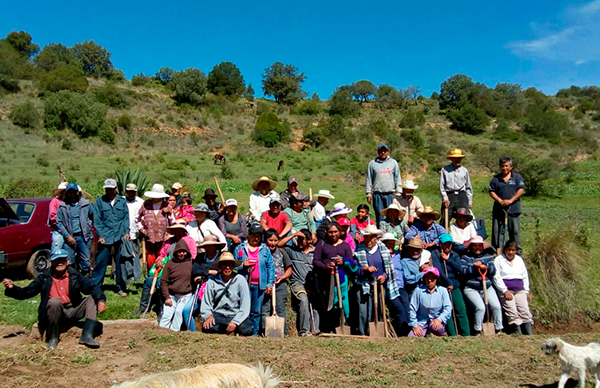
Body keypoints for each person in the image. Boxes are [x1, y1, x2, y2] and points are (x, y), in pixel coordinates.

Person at [2, 249, 107, 349]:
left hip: (73, 310)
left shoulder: (75, 275)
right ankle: (53, 338)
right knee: (54, 301)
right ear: (51, 262)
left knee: (91, 299)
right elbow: (26, 292)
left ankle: (87, 335)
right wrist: (12, 288)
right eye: (57, 260)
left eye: (62, 260)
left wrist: (101, 300)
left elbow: (92, 287)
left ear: (68, 261)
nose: (60, 263)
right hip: (54, 313)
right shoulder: (44, 278)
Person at [132, 220, 196, 318]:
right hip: (166, 266)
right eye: (175, 229)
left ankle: (161, 307)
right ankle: (143, 307)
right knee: (149, 281)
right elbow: (162, 254)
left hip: (180, 268)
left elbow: (193, 256)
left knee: (160, 282)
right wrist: (159, 260)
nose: (177, 231)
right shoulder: (169, 241)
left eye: (179, 229)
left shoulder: (189, 241)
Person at [353, 225, 408, 336]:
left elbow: (388, 268)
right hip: (364, 285)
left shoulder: (382, 249)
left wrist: (384, 276)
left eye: (371, 237)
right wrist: (365, 269)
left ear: (376, 238)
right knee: (363, 311)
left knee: (378, 308)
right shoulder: (359, 250)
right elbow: (354, 269)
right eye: (366, 237)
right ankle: (363, 332)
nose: (368, 240)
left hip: (379, 285)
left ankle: (377, 332)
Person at [312, 222, 358, 333]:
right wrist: (325, 266)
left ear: (340, 232)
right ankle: (328, 328)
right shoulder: (322, 244)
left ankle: (342, 325)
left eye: (335, 232)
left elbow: (352, 262)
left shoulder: (345, 246)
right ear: (327, 233)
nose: (333, 235)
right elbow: (315, 261)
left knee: (342, 304)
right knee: (328, 305)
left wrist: (343, 261)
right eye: (330, 232)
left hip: (342, 281)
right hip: (326, 281)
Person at [234, 224, 275, 336]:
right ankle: (243, 331)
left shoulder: (265, 250)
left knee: (256, 311)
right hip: (244, 285)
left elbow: (270, 267)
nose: (256, 238)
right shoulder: (240, 248)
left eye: (258, 236)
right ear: (249, 235)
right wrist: (242, 265)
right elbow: (232, 266)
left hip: (259, 285)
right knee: (243, 310)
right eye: (254, 235)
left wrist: (269, 283)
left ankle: (254, 333)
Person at [92, 178, 130, 296]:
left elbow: (125, 217)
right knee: (101, 262)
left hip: (119, 235)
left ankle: (120, 287)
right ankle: (96, 286)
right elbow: (97, 220)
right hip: (106, 235)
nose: (109, 191)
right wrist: (101, 235)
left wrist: (126, 232)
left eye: (111, 189)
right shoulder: (99, 201)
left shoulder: (122, 201)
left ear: (115, 189)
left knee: (120, 262)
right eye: (107, 189)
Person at [427, 234, 470, 336]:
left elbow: (459, 269)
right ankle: (452, 334)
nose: (447, 246)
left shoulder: (454, 255)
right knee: (447, 310)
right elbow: (438, 271)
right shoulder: (435, 254)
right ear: (440, 244)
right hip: (443, 286)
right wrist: (448, 282)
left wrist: (448, 260)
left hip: (455, 285)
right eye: (445, 244)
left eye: (449, 244)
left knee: (460, 309)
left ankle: (466, 334)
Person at [200, 252, 253, 336]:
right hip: (218, 314)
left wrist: (235, 322)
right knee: (208, 327)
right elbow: (206, 303)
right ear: (220, 266)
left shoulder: (240, 280)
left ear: (233, 266)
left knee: (247, 329)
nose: (227, 267)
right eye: (224, 264)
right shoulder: (212, 281)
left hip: (235, 314)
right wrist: (208, 316)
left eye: (230, 264)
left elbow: (245, 306)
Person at [460, 236, 503, 335]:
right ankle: (478, 330)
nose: (477, 248)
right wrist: (474, 267)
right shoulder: (465, 258)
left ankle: (498, 328)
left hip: (487, 287)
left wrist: (485, 266)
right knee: (480, 308)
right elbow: (462, 272)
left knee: (496, 306)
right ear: (471, 247)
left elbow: (493, 271)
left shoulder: (488, 257)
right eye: (475, 246)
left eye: (480, 245)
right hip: (471, 288)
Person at [182, 235, 225, 331]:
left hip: (216, 291)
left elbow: (219, 271)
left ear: (216, 246)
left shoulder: (221, 258)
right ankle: (192, 332)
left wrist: (204, 272)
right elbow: (195, 270)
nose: (209, 248)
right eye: (207, 245)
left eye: (211, 245)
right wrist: (210, 271)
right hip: (199, 289)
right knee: (186, 310)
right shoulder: (200, 257)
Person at [281, 229, 319, 336]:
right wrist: (293, 235)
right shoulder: (293, 251)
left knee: (316, 304)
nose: (299, 242)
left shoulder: (315, 252)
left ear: (309, 240)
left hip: (311, 283)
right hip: (297, 283)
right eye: (298, 239)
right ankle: (304, 330)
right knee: (303, 300)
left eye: (302, 239)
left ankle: (316, 329)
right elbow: (279, 244)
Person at [493, 240, 533, 335]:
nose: (511, 252)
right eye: (509, 250)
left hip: (519, 290)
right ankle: (518, 334)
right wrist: (505, 290)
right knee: (512, 312)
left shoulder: (519, 260)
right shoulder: (499, 260)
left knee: (524, 311)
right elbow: (496, 277)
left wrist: (526, 290)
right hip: (506, 290)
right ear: (505, 250)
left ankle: (528, 335)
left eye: (513, 250)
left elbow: (524, 275)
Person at [489, 156, 525, 253]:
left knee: (515, 233)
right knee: (498, 233)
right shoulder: (495, 179)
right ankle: (497, 252)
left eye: (506, 166)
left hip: (513, 210)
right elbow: (491, 191)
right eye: (502, 166)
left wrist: (511, 200)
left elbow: (521, 189)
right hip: (498, 210)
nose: (504, 168)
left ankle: (517, 253)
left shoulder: (517, 177)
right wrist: (500, 201)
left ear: (511, 166)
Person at [57, 183, 93, 275]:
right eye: (70, 192)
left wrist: (89, 229)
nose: (72, 194)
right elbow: (59, 222)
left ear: (78, 192)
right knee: (70, 262)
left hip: (83, 237)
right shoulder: (62, 206)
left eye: (74, 192)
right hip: (69, 238)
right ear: (66, 193)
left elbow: (93, 217)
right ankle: (72, 282)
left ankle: (84, 282)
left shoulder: (86, 204)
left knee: (86, 262)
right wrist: (68, 236)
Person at [262, 229, 292, 334]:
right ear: (266, 240)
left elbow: (289, 269)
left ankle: (282, 332)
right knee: (265, 308)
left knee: (280, 308)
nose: (273, 243)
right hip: (265, 285)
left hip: (280, 285)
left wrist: (282, 277)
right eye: (270, 240)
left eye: (275, 240)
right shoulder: (262, 251)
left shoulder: (282, 252)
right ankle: (264, 331)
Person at [408, 266, 453, 338]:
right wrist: (414, 325)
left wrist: (440, 319)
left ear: (436, 279)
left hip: (436, 321)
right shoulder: (418, 291)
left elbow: (448, 308)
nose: (430, 280)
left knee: (437, 328)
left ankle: (442, 336)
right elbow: (412, 309)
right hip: (421, 322)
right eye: (427, 277)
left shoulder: (443, 291)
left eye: (432, 278)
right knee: (412, 337)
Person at [159, 239, 194, 331]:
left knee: (179, 312)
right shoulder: (170, 263)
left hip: (185, 295)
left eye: (183, 252)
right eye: (179, 252)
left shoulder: (191, 263)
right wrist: (167, 297)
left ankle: (174, 332)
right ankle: (162, 332)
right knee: (167, 313)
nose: (181, 254)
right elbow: (164, 281)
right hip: (172, 295)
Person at [137, 184, 172, 271]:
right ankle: (151, 277)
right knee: (150, 259)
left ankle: (160, 278)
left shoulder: (167, 205)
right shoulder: (145, 204)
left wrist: (169, 213)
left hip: (164, 237)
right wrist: (141, 228)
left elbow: (173, 221)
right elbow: (137, 218)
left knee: (162, 257)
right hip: (150, 237)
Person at [365, 143, 402, 226]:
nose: (383, 153)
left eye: (384, 151)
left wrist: (399, 192)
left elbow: (397, 177)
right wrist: (368, 193)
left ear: (387, 152)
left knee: (392, 215)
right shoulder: (372, 164)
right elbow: (369, 178)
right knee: (380, 215)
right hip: (378, 194)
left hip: (390, 194)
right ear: (378, 152)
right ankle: (381, 234)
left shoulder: (393, 163)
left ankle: (392, 234)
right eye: (381, 151)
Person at [439, 149, 473, 228]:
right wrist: (445, 198)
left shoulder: (464, 171)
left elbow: (468, 187)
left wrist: (469, 201)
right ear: (451, 159)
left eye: (459, 158)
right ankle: (444, 238)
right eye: (455, 158)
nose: (457, 160)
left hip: (462, 195)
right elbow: (442, 186)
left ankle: (462, 236)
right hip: (449, 195)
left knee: (463, 217)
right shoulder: (445, 170)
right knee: (445, 218)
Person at [124, 183, 144, 280]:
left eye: (133, 192)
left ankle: (135, 272)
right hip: (123, 231)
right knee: (122, 253)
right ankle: (119, 272)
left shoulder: (140, 202)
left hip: (136, 231)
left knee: (135, 253)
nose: (131, 194)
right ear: (126, 192)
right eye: (129, 192)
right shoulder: (121, 200)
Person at [49, 182, 67, 254]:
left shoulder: (67, 202)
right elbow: (52, 216)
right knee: (57, 252)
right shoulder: (55, 201)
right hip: (58, 231)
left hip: (68, 231)